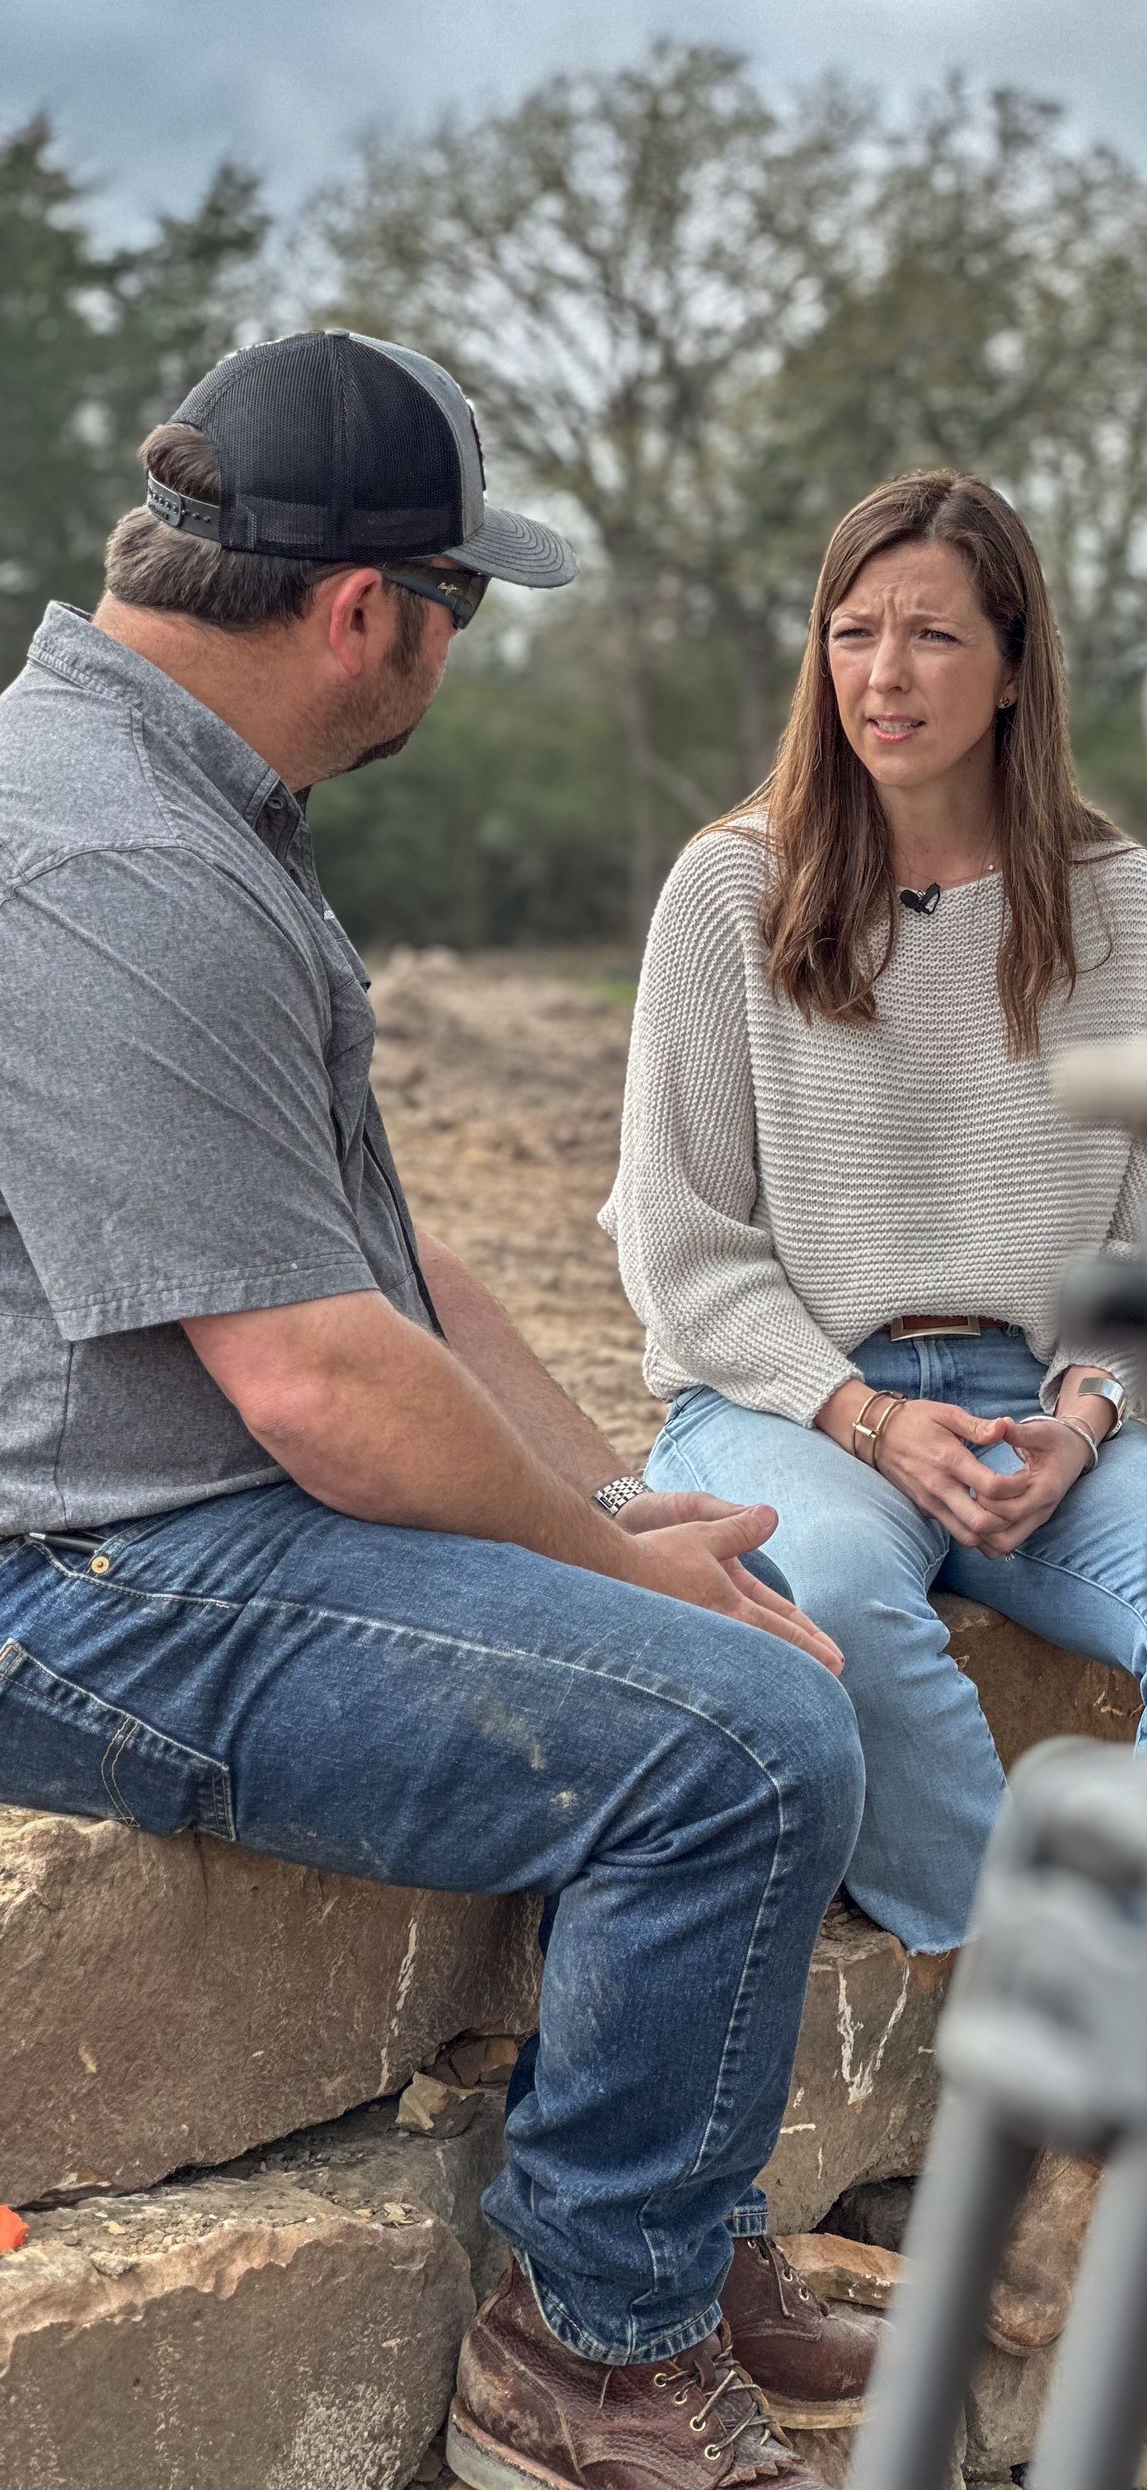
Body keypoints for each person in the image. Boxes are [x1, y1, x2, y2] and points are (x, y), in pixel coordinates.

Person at [0, 331, 879, 2490]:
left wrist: (608, 1501)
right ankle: (589, 2360)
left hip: (176, 1509)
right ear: (365, 611)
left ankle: (665, 2235)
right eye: (462, 610)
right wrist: (631, 1586)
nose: (451, 655)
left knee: (691, 1638)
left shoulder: (185, 804)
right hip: (84, 1571)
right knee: (742, 1737)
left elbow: (409, 1278)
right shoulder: (122, 865)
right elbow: (317, 1384)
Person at [601, 471, 1147, 2348]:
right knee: (840, 1601)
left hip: (1048, 1405)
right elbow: (680, 1248)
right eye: (854, 631)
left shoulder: (1128, 908)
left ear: (1017, 664)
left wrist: (1092, 1417)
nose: (886, 670)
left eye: (934, 630)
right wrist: (866, 1418)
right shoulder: (735, 886)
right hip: (791, 1402)